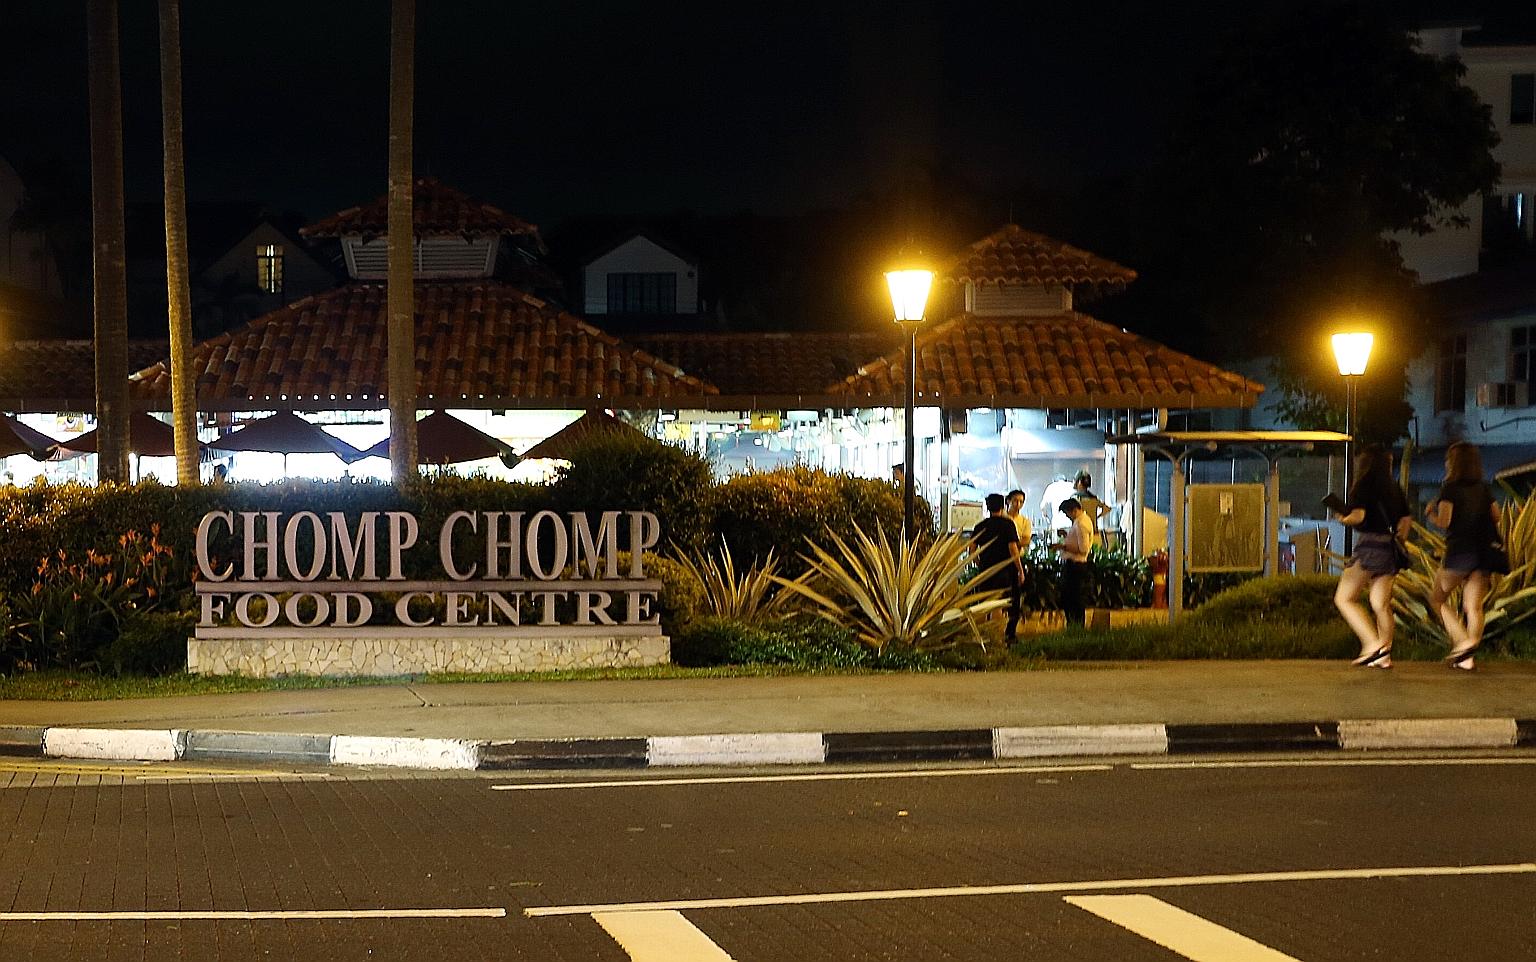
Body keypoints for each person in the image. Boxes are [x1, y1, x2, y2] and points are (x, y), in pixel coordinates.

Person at [1330, 444, 1410, 668]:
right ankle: (1384, 654)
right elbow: (1405, 521)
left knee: (1344, 598)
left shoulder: (1363, 487)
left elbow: (1358, 515)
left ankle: (1372, 644)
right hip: (1390, 550)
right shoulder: (1395, 489)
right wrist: (1399, 540)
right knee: (1380, 603)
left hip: (1369, 547)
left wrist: (1344, 519)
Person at [1425, 441, 1502, 670]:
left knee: (1437, 599)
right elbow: (1496, 516)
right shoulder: (1484, 487)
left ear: (1454, 463)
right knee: (1474, 607)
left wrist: (1430, 514)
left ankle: (1463, 643)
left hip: (1459, 552)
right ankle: (1467, 658)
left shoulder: (1450, 489)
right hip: (1483, 554)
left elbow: (1445, 522)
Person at [972, 492, 1027, 642]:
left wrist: (979, 562)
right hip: (1007, 570)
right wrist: (1020, 570)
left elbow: (971, 549)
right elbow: (1013, 548)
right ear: (1003, 506)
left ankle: (987, 634)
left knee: (987, 602)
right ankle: (1009, 634)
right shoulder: (1008, 525)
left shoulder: (980, 526)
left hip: (987, 570)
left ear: (988, 507)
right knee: (1011, 602)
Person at [1051, 497, 1096, 627]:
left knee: (1073, 599)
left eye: (1067, 513)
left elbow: (1083, 549)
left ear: (1074, 510)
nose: (1067, 516)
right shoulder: (1080, 521)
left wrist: (1062, 547)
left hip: (1076, 566)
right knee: (1072, 598)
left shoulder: (1082, 524)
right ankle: (1074, 625)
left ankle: (1075, 625)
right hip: (1074, 565)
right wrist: (1066, 536)